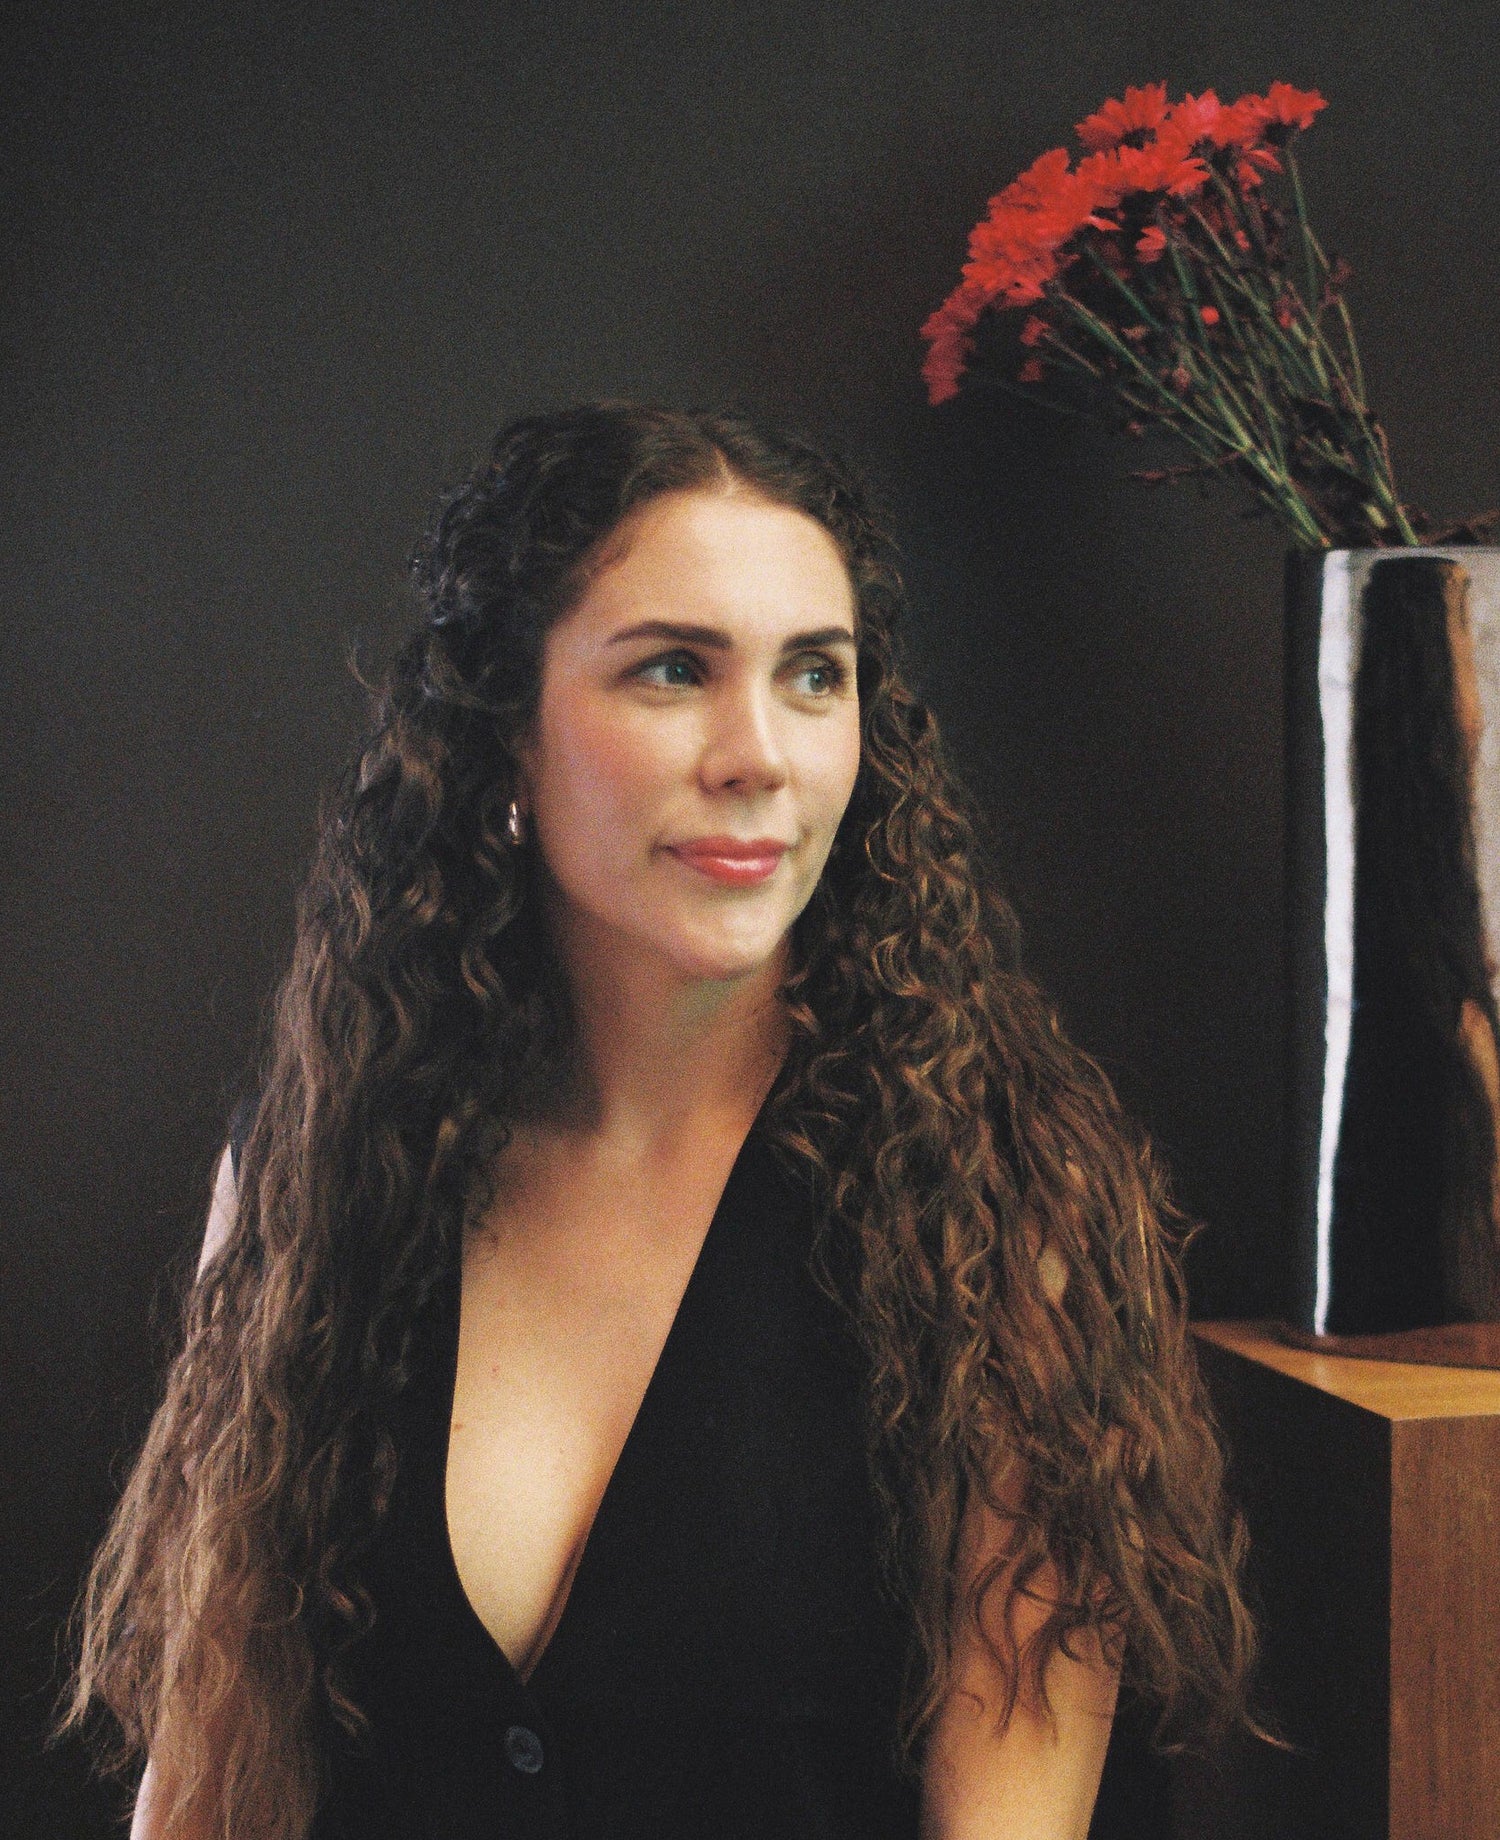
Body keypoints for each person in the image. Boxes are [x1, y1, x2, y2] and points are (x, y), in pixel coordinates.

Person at [65, 403, 1258, 1839]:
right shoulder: (322, 1168)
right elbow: (209, 1786)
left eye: (816, 676)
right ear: (506, 734)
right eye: (674, 671)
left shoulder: (993, 1203)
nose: (758, 752)